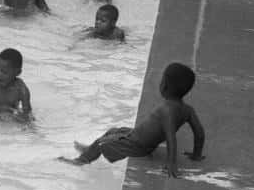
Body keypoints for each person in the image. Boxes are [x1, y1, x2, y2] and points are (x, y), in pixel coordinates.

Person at [65, 61, 205, 176]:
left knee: (103, 144)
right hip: (137, 137)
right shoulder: (188, 110)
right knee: (114, 131)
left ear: (165, 86)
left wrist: (171, 163)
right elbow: (199, 133)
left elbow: (170, 137)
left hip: (138, 145)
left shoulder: (166, 110)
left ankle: (81, 161)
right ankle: (89, 149)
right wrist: (196, 155)